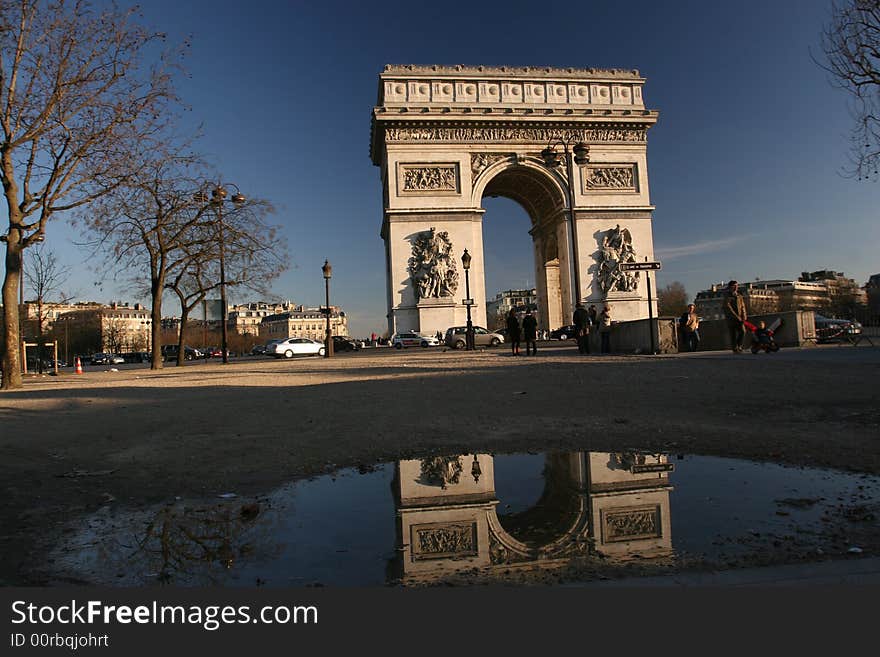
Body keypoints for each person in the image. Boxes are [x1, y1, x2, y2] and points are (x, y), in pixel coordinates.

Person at [723, 280, 748, 353]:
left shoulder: (739, 296)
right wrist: (736, 316)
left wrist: (744, 316)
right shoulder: (727, 296)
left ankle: (739, 346)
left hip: (740, 317)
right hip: (731, 318)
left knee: (743, 331)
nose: (736, 287)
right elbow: (728, 307)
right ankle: (735, 348)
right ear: (730, 287)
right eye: (734, 286)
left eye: (737, 285)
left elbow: (743, 306)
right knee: (733, 333)